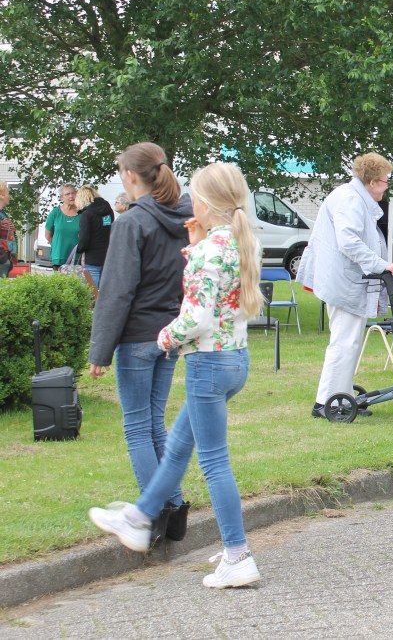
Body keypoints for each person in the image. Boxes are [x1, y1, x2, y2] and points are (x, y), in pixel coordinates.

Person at [89, 161, 265, 589]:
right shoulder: (241, 242)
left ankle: (239, 555)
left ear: (204, 202)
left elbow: (196, 318)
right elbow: (222, 299)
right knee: (178, 451)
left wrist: (162, 339)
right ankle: (137, 517)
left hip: (207, 364)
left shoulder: (209, 251)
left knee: (214, 463)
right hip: (234, 360)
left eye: (196, 196)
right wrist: (195, 244)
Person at [88, 142, 193, 543]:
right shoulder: (184, 217)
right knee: (154, 423)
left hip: (137, 336)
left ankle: (152, 513)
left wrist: (99, 351)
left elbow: (116, 292)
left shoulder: (132, 223)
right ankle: (174, 507)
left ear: (130, 175)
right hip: (169, 332)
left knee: (137, 425)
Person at [296, 152, 393, 419]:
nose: (386, 186)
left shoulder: (353, 197)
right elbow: (349, 242)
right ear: (371, 182)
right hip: (343, 281)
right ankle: (326, 403)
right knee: (344, 341)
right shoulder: (350, 199)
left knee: (349, 340)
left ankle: (341, 399)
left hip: (345, 279)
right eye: (385, 181)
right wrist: (381, 265)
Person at [75, 186, 114, 288]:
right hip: (108, 256)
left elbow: (84, 239)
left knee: (92, 293)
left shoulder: (86, 214)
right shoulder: (108, 211)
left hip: (92, 258)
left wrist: (79, 249)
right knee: (104, 293)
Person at [45, 183, 80, 269]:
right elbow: (48, 235)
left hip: (77, 258)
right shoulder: (55, 213)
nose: (71, 196)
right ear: (61, 198)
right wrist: (57, 246)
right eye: (67, 194)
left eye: (73, 193)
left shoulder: (82, 213)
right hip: (59, 257)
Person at [0, 182, 15, 278]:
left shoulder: (2, 213)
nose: (9, 197)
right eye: (7, 194)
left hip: (4, 259)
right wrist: (2, 255)